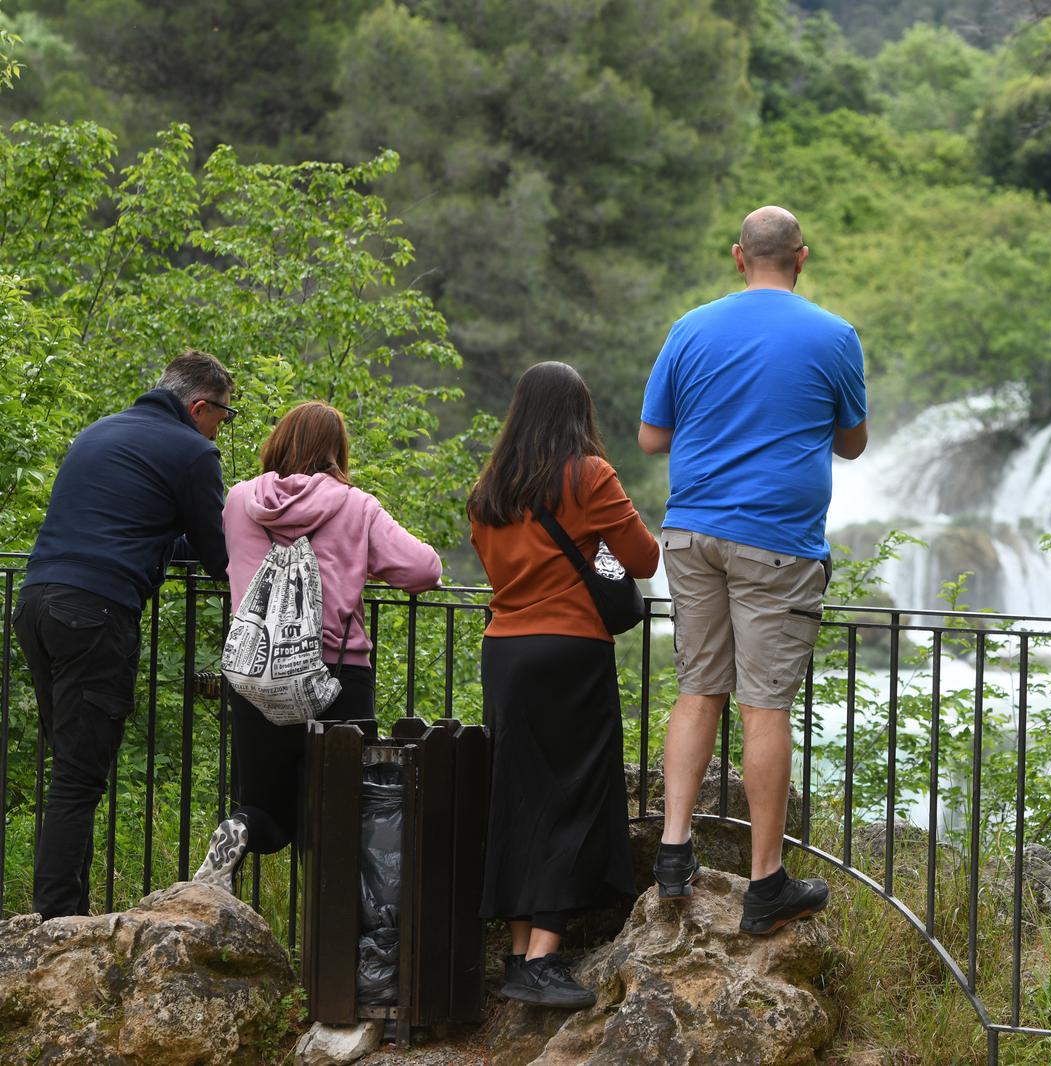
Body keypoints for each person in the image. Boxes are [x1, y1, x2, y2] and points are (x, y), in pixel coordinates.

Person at [639, 205, 868, 934]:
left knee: (697, 688)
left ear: (739, 257)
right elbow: (854, 445)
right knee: (765, 705)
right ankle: (765, 882)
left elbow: (650, 438)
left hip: (691, 532)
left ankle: (674, 852)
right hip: (777, 540)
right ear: (802, 257)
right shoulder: (834, 336)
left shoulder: (690, 327)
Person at [13, 350, 234, 919]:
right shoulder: (193, 452)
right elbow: (220, 556)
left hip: (37, 603)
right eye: (224, 418)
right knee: (79, 775)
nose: (221, 430)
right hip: (95, 614)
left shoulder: (100, 432)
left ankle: (62, 910)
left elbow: (140, 530)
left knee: (66, 764)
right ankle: (60, 921)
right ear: (199, 406)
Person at [470, 362, 660, 1008]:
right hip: (570, 652)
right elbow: (642, 559)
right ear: (579, 413)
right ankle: (543, 960)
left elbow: (497, 568)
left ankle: (520, 952)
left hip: (505, 652)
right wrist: (598, 551)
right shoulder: (588, 476)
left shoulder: (490, 488)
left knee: (519, 799)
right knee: (570, 797)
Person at [191, 401, 442, 886]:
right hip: (336, 676)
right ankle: (336, 942)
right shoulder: (355, 505)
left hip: (255, 674)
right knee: (343, 812)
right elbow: (424, 569)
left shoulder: (240, 501)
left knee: (263, 804)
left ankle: (239, 828)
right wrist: (358, 558)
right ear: (337, 453)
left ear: (279, 443)